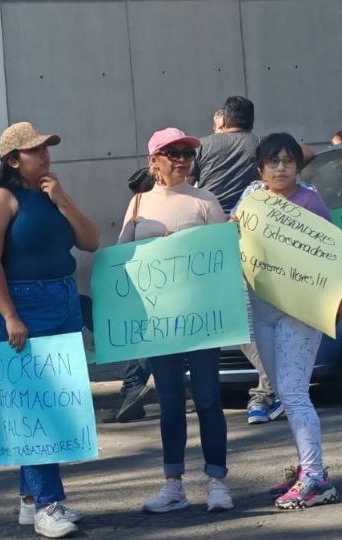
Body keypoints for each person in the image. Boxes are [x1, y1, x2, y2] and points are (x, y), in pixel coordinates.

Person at [0, 121, 100, 538]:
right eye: (36, 150)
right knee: (35, 408)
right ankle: (49, 504)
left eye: (46, 148)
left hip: (63, 299)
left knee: (56, 405)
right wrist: (10, 316)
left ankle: (32, 501)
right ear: (13, 160)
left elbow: (90, 241)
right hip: (23, 303)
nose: (45, 155)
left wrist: (62, 199)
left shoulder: (49, 194)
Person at [234, 133, 342, 510]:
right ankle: (308, 468)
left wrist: (340, 295)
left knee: (295, 390)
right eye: (274, 161)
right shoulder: (252, 200)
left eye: (288, 160)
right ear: (260, 168)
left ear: (298, 166)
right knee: (283, 393)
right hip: (261, 309)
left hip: (300, 309)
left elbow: (332, 250)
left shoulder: (309, 200)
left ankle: (315, 480)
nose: (281, 166)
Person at [119, 127, 233, 514]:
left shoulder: (205, 200)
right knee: (169, 403)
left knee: (208, 399)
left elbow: (223, 257)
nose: (183, 159)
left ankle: (217, 481)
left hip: (202, 320)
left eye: (187, 152)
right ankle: (173, 484)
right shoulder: (137, 206)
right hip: (159, 323)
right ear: (154, 161)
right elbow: (122, 263)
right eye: (173, 153)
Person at [192, 95, 283, 425]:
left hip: (213, 237)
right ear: (250, 120)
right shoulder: (260, 145)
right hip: (254, 235)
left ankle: (271, 387)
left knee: (232, 322)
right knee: (248, 317)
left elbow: (188, 187)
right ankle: (271, 387)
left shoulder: (203, 145)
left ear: (223, 119)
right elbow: (306, 155)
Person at [101, 167, 155, 424]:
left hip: (148, 283)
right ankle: (131, 390)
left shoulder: (143, 206)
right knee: (140, 334)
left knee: (142, 334)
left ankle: (132, 389)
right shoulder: (141, 205)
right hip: (143, 282)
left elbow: (124, 245)